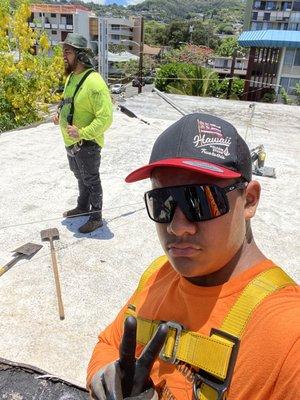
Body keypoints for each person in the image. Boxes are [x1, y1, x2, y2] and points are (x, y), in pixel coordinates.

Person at [87, 113, 300, 399]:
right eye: (163, 203)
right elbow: (109, 344)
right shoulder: (158, 274)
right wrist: (107, 377)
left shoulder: (288, 334)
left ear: (249, 200)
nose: (177, 227)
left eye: (201, 201)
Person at [53, 33, 113, 233]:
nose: (64, 56)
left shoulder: (95, 82)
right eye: (64, 51)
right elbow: (66, 101)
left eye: (68, 52)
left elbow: (105, 118)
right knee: (79, 176)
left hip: (87, 143)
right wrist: (59, 114)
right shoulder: (71, 77)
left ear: (80, 56)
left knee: (91, 179)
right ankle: (82, 207)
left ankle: (96, 217)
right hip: (71, 141)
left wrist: (83, 132)